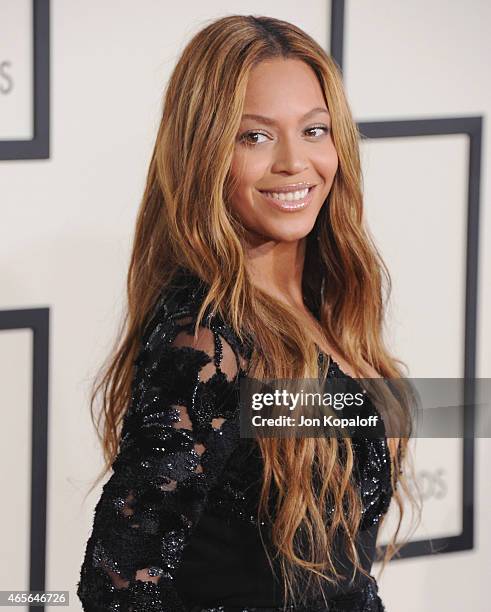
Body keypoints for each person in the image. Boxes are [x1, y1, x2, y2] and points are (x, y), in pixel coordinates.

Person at [77, 14, 415, 612]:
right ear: (205, 152)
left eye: (314, 130)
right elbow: (121, 588)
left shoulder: (329, 307)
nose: (293, 162)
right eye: (254, 137)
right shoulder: (207, 340)